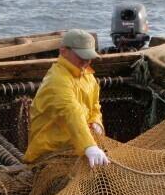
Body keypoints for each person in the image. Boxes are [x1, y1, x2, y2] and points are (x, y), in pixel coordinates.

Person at [24, 29, 109, 167]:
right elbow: (71, 112)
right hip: (49, 154)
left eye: (89, 57)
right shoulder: (57, 80)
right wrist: (89, 146)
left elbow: (95, 107)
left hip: (77, 149)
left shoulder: (89, 77)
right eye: (81, 56)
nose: (86, 62)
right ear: (63, 51)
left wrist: (96, 122)